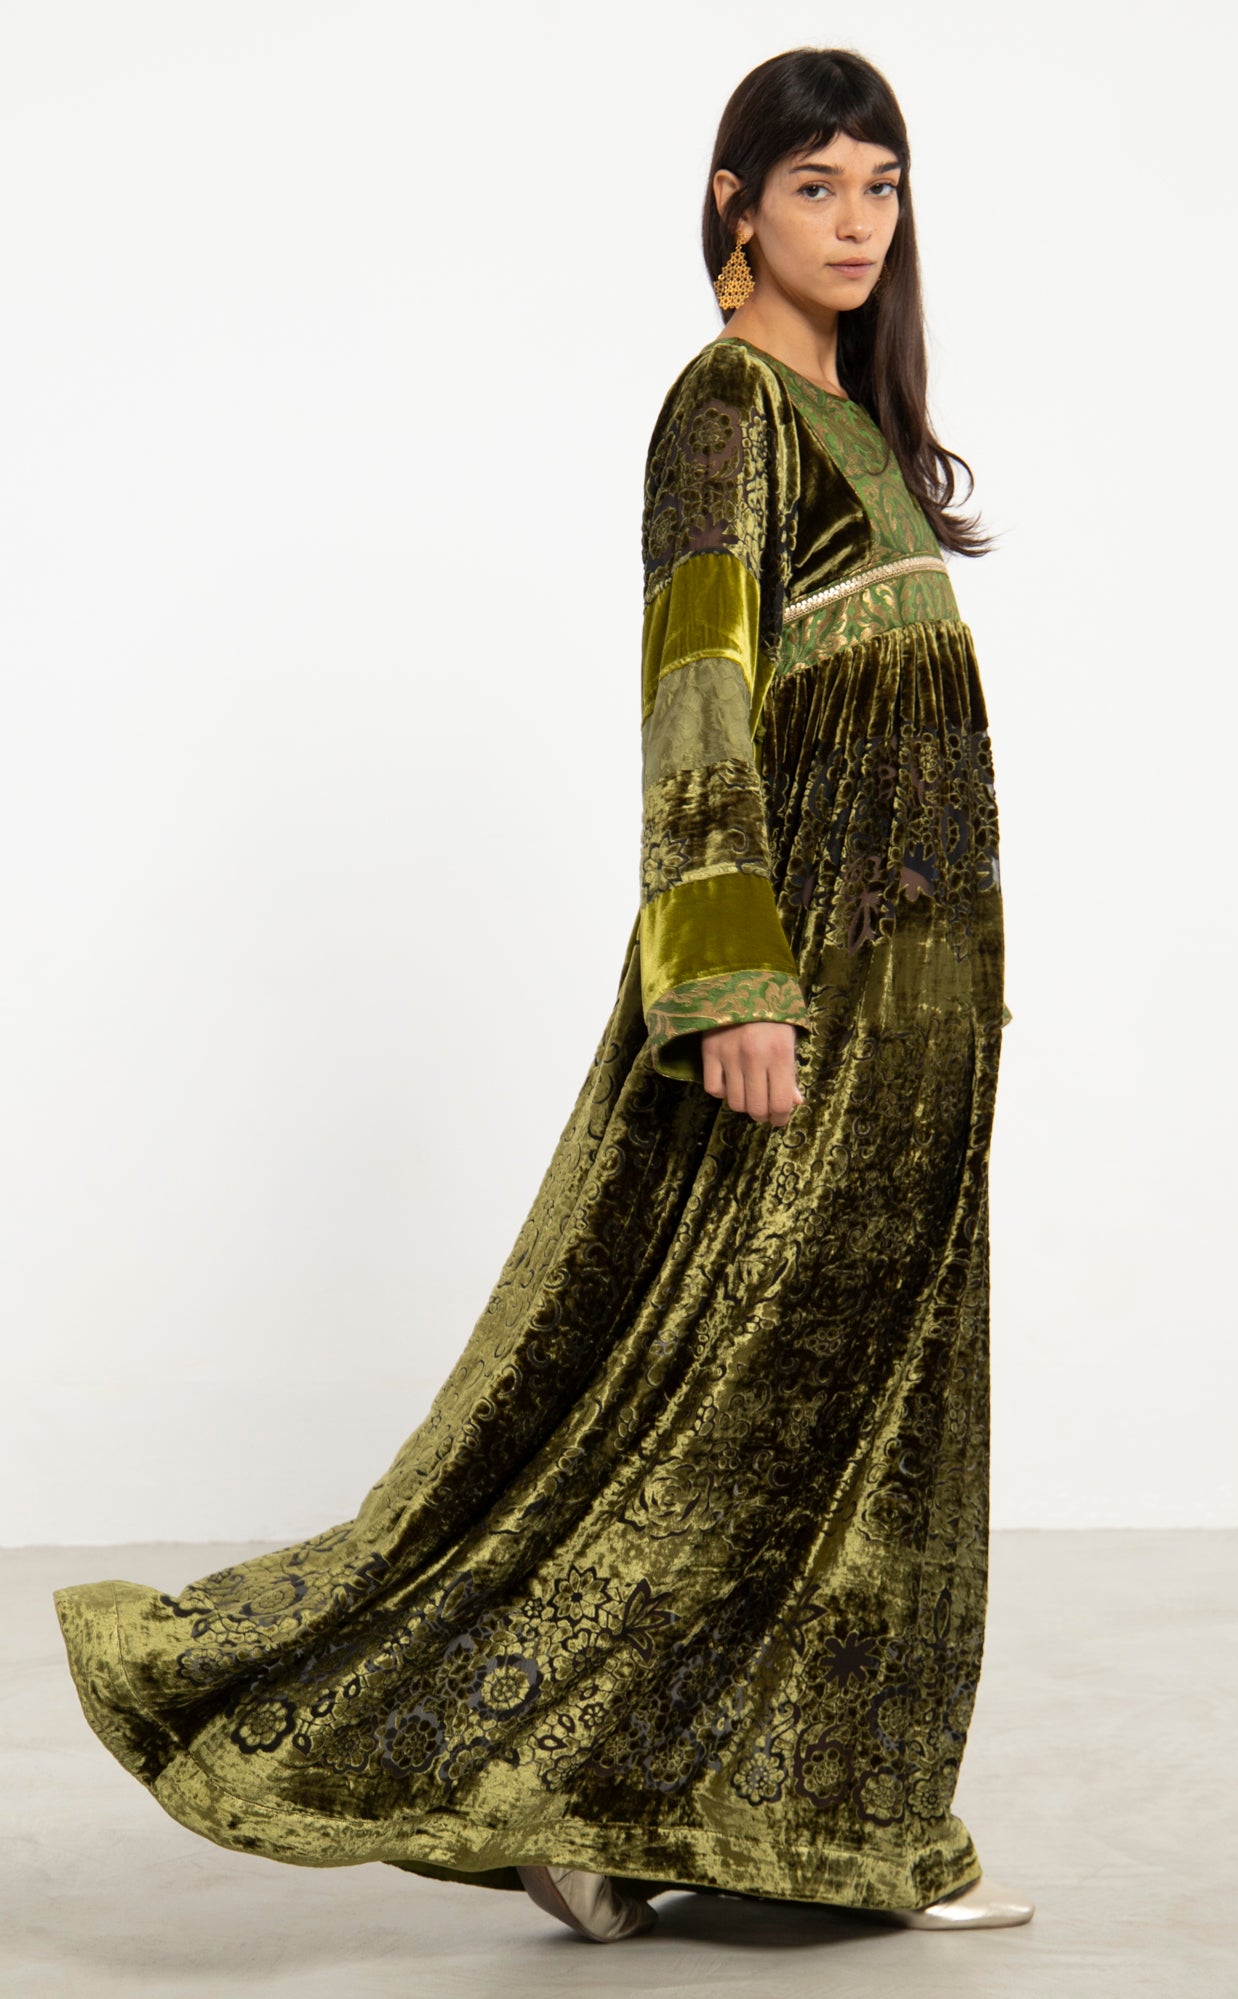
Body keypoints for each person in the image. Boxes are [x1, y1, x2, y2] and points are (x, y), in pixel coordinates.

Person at [53, 45, 1033, 1947]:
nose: (853, 222)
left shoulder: (856, 420)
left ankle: (738, 1816)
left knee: (861, 1393)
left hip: (924, 989)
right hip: (808, 982)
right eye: (814, 185)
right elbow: (697, 695)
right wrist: (731, 980)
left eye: (881, 186)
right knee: (710, 1391)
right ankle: (575, 1779)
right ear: (735, 203)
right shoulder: (723, 408)